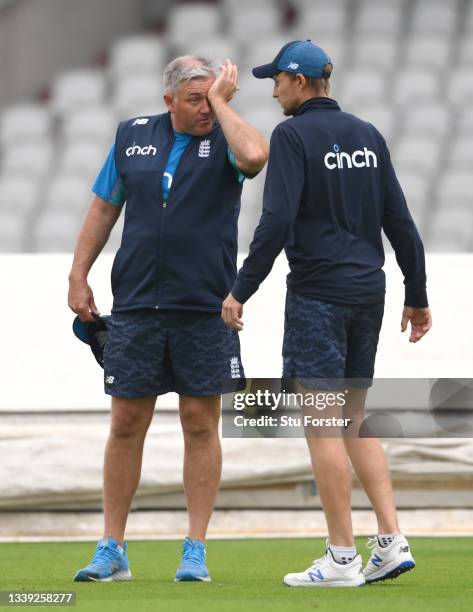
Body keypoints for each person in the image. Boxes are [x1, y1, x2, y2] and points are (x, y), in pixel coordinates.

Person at [222, 40, 432, 587]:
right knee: (353, 420)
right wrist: (418, 294)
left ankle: (342, 556)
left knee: (323, 427)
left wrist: (241, 289)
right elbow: (400, 221)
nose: (271, 91)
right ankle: (390, 540)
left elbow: (276, 222)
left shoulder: (291, 135)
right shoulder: (367, 135)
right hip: (370, 293)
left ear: (297, 81)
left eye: (276, 81)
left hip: (318, 294)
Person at [68, 55, 268, 582]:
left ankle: (195, 548)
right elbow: (103, 207)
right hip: (135, 303)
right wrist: (78, 274)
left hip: (205, 305)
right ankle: (111, 547)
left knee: (200, 424)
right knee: (125, 424)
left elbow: (254, 158)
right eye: (195, 100)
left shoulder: (228, 133)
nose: (205, 108)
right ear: (168, 102)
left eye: (212, 97)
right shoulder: (130, 135)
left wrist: (223, 103)